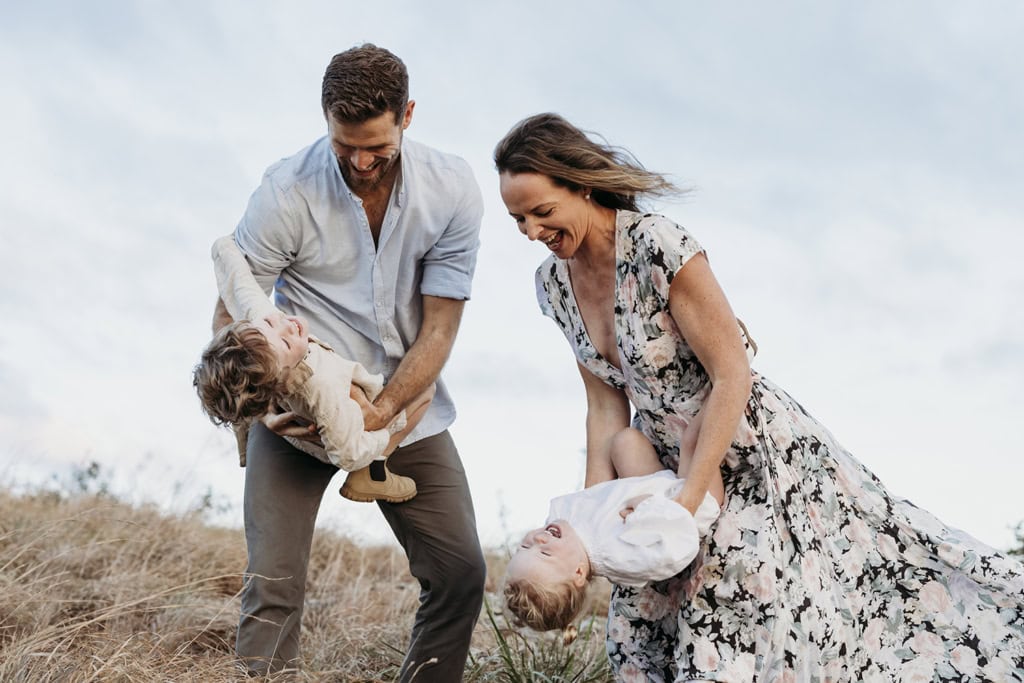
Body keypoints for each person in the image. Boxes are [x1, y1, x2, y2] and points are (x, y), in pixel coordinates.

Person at [494, 112, 1024, 682]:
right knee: (643, 628)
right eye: (517, 219)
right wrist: (592, 520)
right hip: (652, 468)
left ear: (580, 184)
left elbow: (732, 373)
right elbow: (604, 405)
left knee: (794, 597)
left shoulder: (657, 245)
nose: (531, 232)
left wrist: (686, 500)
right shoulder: (553, 285)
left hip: (740, 448)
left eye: (541, 212)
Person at [210, 44, 486, 680]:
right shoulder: (285, 190)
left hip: (404, 405)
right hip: (294, 407)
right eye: (344, 146)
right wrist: (261, 413)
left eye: (376, 148)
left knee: (460, 572)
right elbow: (234, 306)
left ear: (408, 116)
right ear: (325, 120)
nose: (361, 163)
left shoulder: (451, 188)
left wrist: (382, 414)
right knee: (271, 587)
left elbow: (441, 326)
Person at [194, 235, 433, 504]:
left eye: (272, 324)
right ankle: (374, 470)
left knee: (245, 386)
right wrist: (377, 436)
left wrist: (223, 248)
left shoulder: (264, 332)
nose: (287, 325)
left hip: (287, 402)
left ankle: (245, 436)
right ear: (281, 375)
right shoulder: (323, 389)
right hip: (330, 433)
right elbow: (347, 452)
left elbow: (240, 288)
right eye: (285, 342)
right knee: (425, 389)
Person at [504, 427, 722, 633]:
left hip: (658, 487)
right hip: (694, 507)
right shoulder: (619, 558)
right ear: (579, 572)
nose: (539, 539)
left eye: (525, 546)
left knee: (624, 443)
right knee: (692, 438)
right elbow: (677, 550)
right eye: (545, 553)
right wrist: (651, 507)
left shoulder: (569, 531)